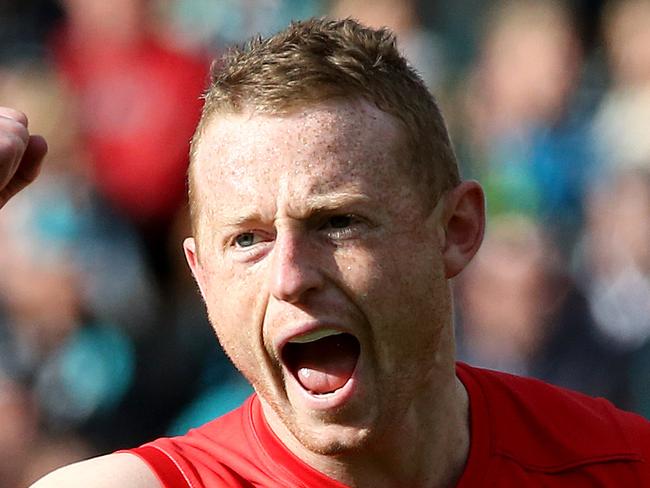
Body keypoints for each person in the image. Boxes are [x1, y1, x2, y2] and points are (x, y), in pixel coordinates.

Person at [2, 17, 647, 488]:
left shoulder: (620, 466)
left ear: (456, 230)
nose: (289, 277)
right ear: (201, 277)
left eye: (337, 222)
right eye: (247, 239)